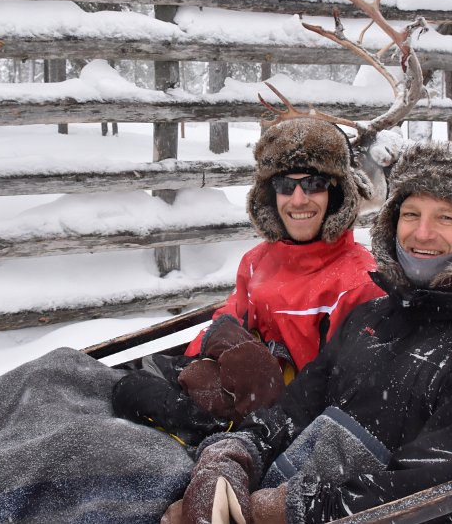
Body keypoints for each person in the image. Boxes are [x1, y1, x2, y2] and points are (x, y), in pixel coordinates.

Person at [163, 141, 452, 524]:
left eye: (446, 217)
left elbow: (435, 493)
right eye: (411, 214)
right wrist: (233, 455)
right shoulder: (371, 318)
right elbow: (293, 410)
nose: (422, 233)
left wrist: (268, 512)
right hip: (285, 486)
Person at [113, 117, 384, 439]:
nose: (298, 200)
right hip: (229, 394)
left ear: (337, 192)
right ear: (270, 193)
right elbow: (226, 322)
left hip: (280, 424)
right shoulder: (257, 261)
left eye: (314, 184)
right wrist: (193, 369)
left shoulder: (357, 283)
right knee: (118, 387)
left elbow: (343, 393)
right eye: (285, 185)